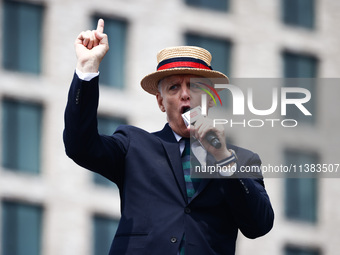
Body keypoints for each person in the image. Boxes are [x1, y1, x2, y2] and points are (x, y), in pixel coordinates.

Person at [63, 19, 274, 255]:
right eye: (174, 87)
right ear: (161, 102)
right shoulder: (134, 145)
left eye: (194, 86)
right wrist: (87, 69)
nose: (185, 94)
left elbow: (259, 225)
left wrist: (223, 158)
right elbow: (79, 146)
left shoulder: (241, 160)